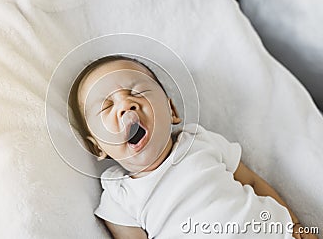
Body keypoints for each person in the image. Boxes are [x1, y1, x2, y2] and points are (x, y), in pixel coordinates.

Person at [69, 55, 318, 239]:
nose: (126, 105)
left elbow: (252, 182)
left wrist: (294, 224)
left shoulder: (199, 142)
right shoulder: (121, 196)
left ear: (172, 111)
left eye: (137, 91)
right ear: (97, 147)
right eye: (106, 106)